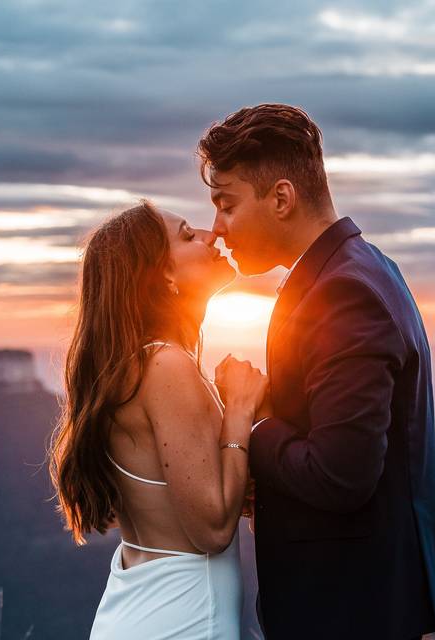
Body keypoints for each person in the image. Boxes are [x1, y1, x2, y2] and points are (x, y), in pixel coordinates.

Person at [200, 103, 435, 639]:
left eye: (226, 204)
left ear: (282, 197)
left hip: (353, 611)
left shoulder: (343, 293)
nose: (216, 228)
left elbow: (341, 476)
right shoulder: (363, 269)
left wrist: (252, 421)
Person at [46, 199, 267, 639]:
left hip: (142, 610)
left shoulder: (140, 366)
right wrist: (240, 408)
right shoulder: (166, 366)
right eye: (188, 235)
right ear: (164, 275)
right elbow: (212, 528)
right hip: (181, 619)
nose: (211, 235)